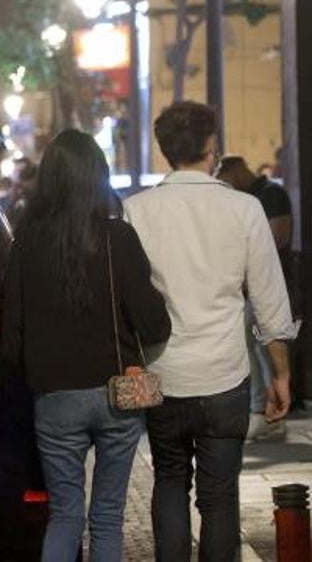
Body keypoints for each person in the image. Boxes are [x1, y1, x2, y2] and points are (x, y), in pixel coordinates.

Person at [125, 102, 296, 562]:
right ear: (211, 146)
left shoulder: (135, 211)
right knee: (220, 496)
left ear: (165, 151)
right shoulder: (244, 208)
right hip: (225, 375)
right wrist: (280, 373)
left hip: (163, 375)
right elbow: (269, 300)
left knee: (169, 481)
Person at [2, 130, 171, 561]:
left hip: (55, 395)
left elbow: (12, 332)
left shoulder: (27, 243)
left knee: (65, 516)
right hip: (116, 392)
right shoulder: (118, 239)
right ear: (99, 176)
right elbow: (153, 322)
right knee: (108, 515)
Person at [217, 154, 299, 441]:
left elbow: (278, 239)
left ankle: (268, 412)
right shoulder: (244, 199)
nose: (224, 183)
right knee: (253, 345)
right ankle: (264, 411)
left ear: (238, 169)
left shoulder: (270, 194)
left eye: (226, 176)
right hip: (247, 287)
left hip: (267, 285)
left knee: (265, 345)